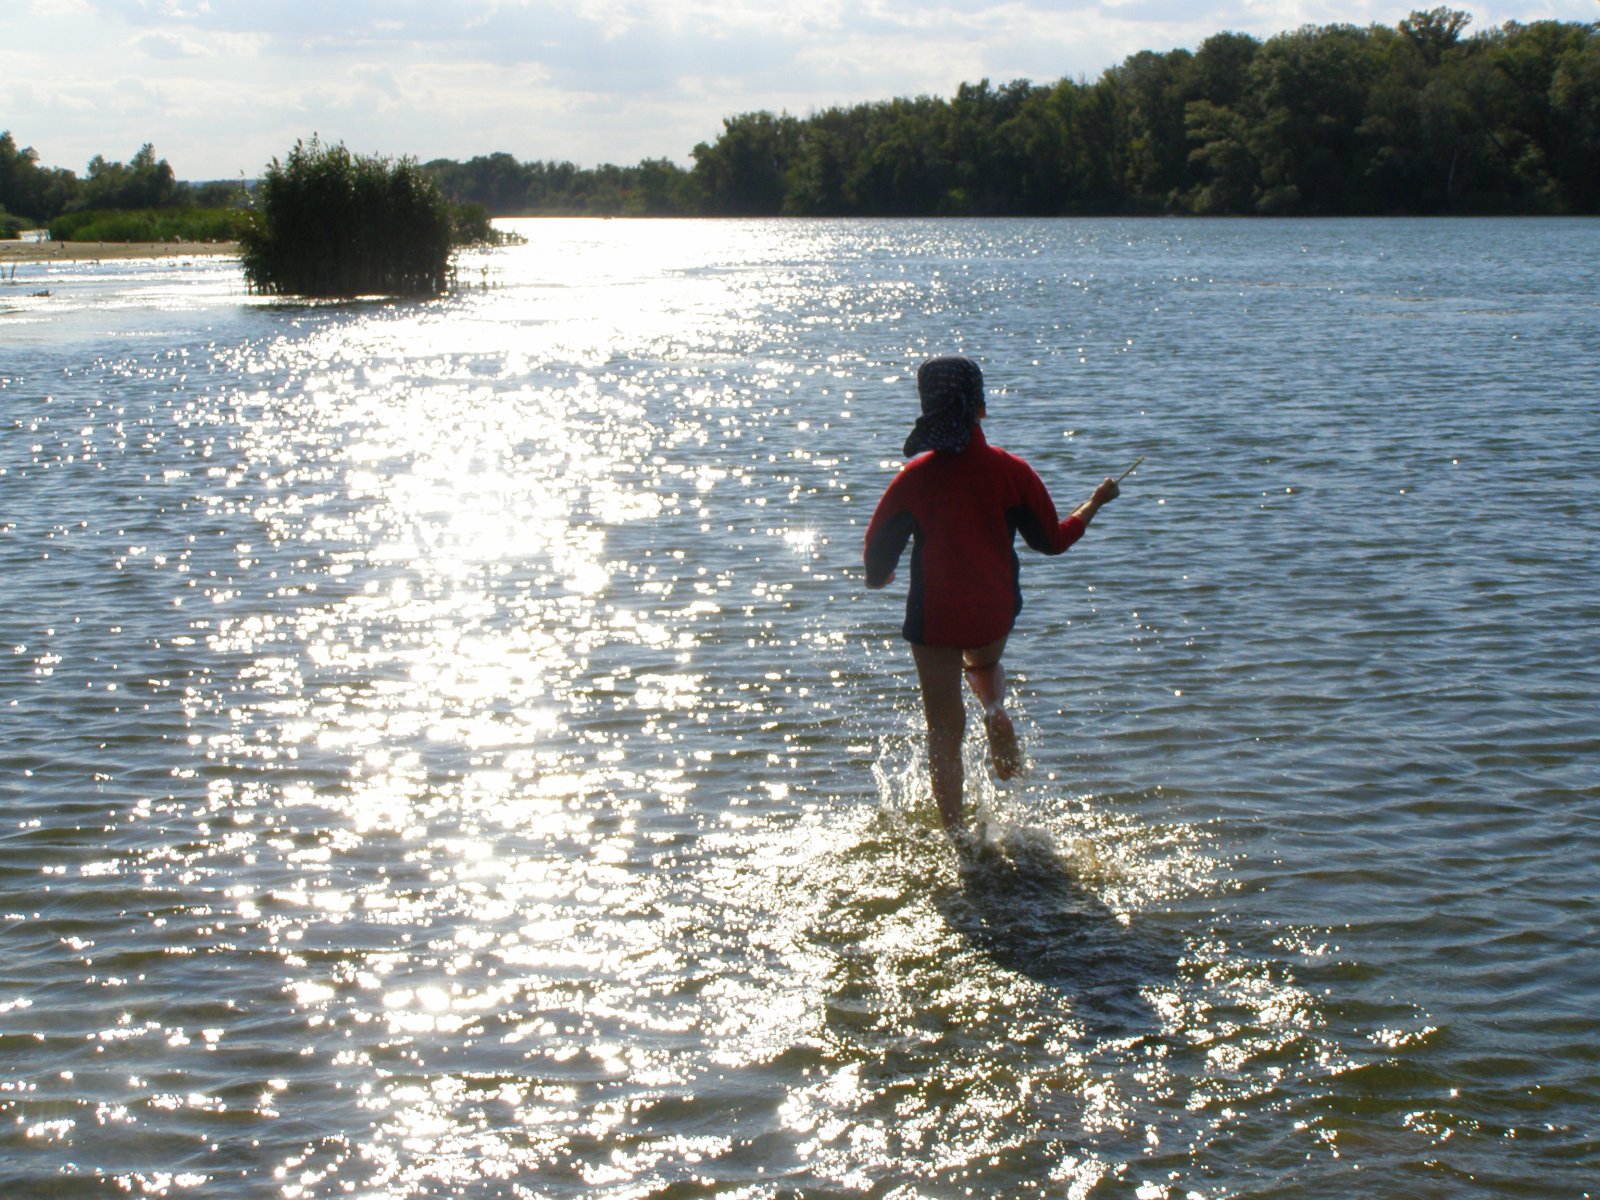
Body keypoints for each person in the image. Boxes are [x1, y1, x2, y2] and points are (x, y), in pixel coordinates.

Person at [863, 355, 1121, 830]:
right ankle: (993, 706)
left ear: (926, 407)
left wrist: (881, 578)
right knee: (982, 664)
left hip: (933, 616)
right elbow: (1053, 540)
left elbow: (876, 556)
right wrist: (1095, 502)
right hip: (992, 610)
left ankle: (956, 836)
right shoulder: (1011, 472)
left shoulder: (913, 479)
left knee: (943, 728)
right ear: (980, 406)